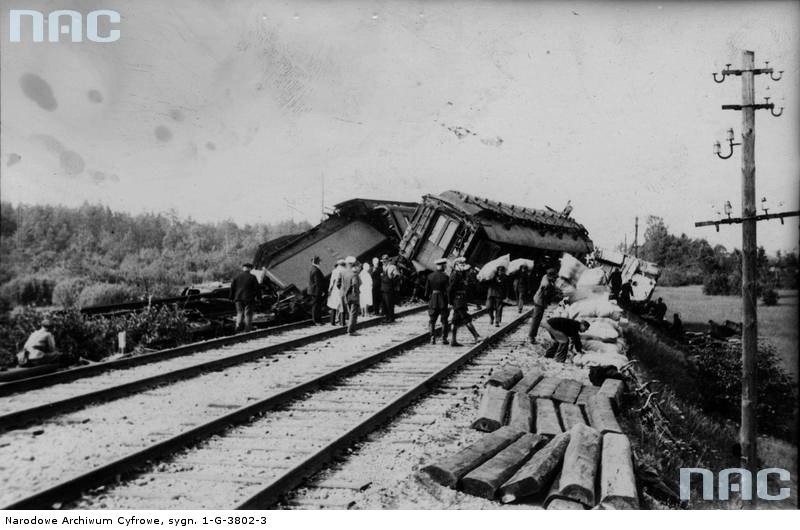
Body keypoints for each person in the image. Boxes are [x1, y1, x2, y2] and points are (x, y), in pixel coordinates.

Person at [449, 257, 482, 345]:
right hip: (458, 300)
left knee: (455, 320)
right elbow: (450, 290)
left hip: (460, 300)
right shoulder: (455, 275)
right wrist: (450, 302)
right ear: (456, 265)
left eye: (463, 264)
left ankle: (453, 341)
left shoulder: (459, 274)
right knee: (466, 318)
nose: (463, 266)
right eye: (461, 264)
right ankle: (476, 336)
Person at [529, 268, 558, 343]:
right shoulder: (547, 285)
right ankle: (531, 336)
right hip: (540, 302)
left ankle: (532, 336)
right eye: (554, 277)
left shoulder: (545, 276)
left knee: (537, 318)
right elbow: (547, 295)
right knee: (536, 319)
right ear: (550, 276)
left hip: (538, 299)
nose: (555, 278)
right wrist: (555, 293)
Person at [426, 258, 451, 344]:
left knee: (432, 320)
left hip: (433, 300)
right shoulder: (446, 277)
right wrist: (449, 302)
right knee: (444, 320)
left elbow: (426, 292)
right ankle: (444, 338)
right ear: (443, 266)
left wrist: (430, 299)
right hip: (443, 300)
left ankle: (432, 338)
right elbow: (448, 291)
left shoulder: (430, 276)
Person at [230, 263, 260, 332]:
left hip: (238, 298)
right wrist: (259, 298)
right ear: (250, 269)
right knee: (248, 314)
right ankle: (247, 329)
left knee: (239, 313)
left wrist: (231, 298)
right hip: (249, 299)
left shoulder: (237, 277)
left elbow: (232, 288)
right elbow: (257, 289)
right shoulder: (252, 277)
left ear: (243, 268)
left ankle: (238, 328)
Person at [341, 256, 361, 334]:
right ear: (352, 264)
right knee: (353, 314)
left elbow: (339, 284)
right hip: (353, 296)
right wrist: (356, 294)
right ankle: (351, 330)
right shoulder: (354, 274)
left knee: (350, 313)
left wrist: (345, 292)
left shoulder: (343, 273)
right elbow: (355, 285)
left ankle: (351, 329)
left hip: (346, 296)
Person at [308, 256, 326, 325]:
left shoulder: (314, 269)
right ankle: (317, 321)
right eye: (320, 261)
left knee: (317, 306)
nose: (321, 262)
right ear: (318, 262)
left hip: (314, 291)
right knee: (316, 306)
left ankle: (318, 320)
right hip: (316, 291)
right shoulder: (316, 270)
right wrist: (320, 292)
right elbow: (318, 283)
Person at [327, 259, 346, 325]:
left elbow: (331, 282)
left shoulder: (334, 271)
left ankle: (332, 322)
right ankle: (342, 322)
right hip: (342, 289)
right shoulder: (344, 270)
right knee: (341, 306)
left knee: (334, 306)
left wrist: (329, 290)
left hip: (334, 290)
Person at [380, 256, 398, 322]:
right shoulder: (383, 267)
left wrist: (392, 284)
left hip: (389, 288)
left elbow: (397, 276)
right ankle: (387, 317)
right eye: (383, 261)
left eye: (384, 261)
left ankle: (391, 318)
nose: (383, 263)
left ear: (388, 261)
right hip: (383, 288)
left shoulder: (392, 267)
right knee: (385, 304)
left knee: (390, 304)